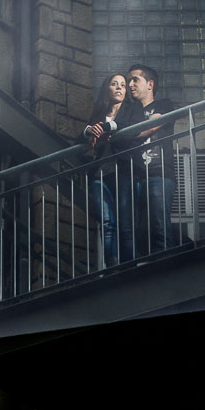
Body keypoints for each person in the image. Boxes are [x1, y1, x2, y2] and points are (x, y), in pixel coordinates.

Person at [114, 64, 178, 255]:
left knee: (159, 224)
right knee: (138, 227)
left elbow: (156, 122)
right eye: (129, 81)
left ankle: (165, 265)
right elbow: (119, 137)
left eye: (135, 79)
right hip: (136, 177)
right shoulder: (129, 111)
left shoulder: (164, 104)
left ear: (150, 84)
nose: (130, 85)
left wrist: (132, 134)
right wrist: (134, 133)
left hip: (160, 173)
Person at [83, 74, 128, 266]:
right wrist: (88, 131)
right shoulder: (98, 115)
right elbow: (80, 140)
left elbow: (131, 127)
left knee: (125, 223)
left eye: (123, 85)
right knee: (107, 223)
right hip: (99, 173)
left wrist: (108, 126)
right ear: (107, 89)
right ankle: (111, 265)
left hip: (122, 172)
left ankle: (127, 264)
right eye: (114, 84)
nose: (119, 88)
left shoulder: (130, 111)